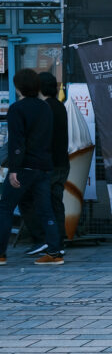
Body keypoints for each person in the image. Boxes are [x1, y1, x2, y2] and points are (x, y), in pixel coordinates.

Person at [0, 69, 63, 266]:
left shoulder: (17, 109)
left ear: (18, 87)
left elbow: (17, 142)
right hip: (44, 166)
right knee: (45, 210)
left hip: (24, 167)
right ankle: (54, 252)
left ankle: (1, 254)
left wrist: (14, 169)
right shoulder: (46, 108)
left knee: (5, 208)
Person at [20, 72, 69, 256]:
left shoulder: (43, 108)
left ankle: (42, 239)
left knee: (31, 200)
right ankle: (58, 241)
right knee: (56, 202)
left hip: (46, 164)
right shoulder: (59, 106)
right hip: (62, 162)